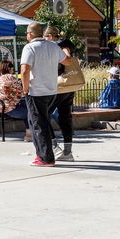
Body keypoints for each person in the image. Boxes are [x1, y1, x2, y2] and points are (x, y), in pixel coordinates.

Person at [20, 22, 71, 166]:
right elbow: (67, 61)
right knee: (38, 121)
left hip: (36, 91)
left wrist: (25, 89)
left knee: (38, 124)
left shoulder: (29, 48)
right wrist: (66, 51)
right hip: (52, 90)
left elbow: (24, 70)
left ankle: (45, 157)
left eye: (27, 34)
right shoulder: (53, 46)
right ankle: (42, 154)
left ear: (30, 34)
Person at [44, 25, 80, 161]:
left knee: (44, 115)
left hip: (60, 85)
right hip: (69, 87)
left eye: (46, 37)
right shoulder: (65, 43)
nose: (45, 40)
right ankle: (68, 152)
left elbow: (67, 56)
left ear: (51, 36)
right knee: (65, 117)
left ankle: (55, 148)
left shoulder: (59, 45)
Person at [0, 60, 31, 141]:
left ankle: (30, 133)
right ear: (9, 68)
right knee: (30, 112)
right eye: (12, 69)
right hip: (8, 108)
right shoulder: (10, 77)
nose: (13, 71)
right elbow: (21, 91)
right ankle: (29, 135)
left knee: (26, 107)